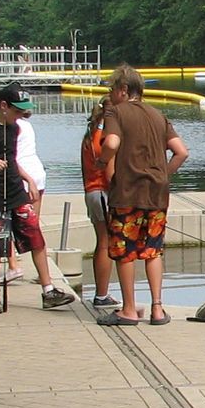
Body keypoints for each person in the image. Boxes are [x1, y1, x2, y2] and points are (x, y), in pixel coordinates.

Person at [0, 85, 75, 314]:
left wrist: (29, 180)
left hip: (17, 193)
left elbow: (12, 160)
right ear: (3, 106)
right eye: (17, 110)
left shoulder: (14, 129)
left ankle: (49, 290)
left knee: (36, 237)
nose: (20, 115)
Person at [99, 64, 190, 326]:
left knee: (124, 251)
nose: (111, 94)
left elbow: (112, 143)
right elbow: (181, 152)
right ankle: (158, 310)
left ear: (123, 90)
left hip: (127, 193)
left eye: (112, 89)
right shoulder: (158, 115)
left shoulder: (116, 111)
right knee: (152, 251)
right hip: (157, 196)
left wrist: (100, 160)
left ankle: (128, 309)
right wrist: (163, 174)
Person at [79, 96, 117, 309]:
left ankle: (101, 292)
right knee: (106, 243)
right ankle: (101, 294)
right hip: (102, 192)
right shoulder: (103, 137)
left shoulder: (90, 134)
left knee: (101, 242)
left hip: (91, 191)